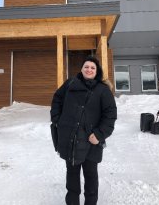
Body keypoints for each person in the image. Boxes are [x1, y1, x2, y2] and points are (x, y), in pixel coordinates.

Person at [50, 56, 117, 205]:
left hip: (91, 141)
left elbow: (110, 114)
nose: (89, 69)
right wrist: (57, 119)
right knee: (72, 177)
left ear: (97, 71)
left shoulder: (103, 90)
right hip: (71, 139)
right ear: (81, 69)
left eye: (92, 67)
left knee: (91, 177)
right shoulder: (70, 84)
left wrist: (99, 134)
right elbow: (57, 99)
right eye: (86, 66)